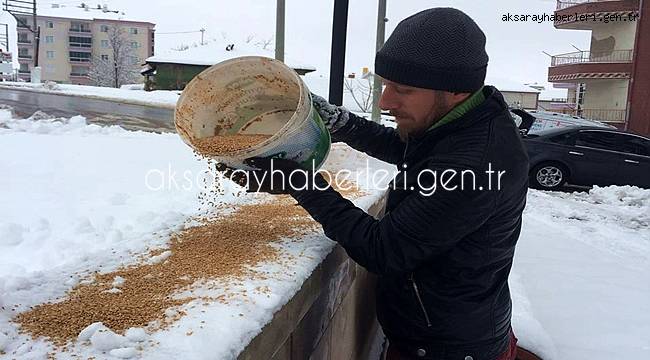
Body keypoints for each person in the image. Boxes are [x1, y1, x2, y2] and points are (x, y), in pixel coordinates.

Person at [228, 7, 528, 360]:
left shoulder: (476, 165)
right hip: (433, 332)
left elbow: (383, 250)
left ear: (456, 90)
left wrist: (301, 183)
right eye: (386, 85)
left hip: (445, 349)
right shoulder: (461, 122)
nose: (386, 101)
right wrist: (340, 123)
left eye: (403, 89)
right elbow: (407, 148)